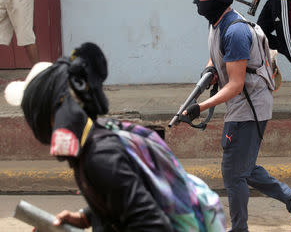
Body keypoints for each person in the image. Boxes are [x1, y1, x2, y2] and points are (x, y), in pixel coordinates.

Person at [186, 0, 291, 232]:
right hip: (246, 103)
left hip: (249, 107)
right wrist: (209, 72)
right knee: (243, 167)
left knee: (233, 173)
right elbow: (217, 58)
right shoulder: (218, 23)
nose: (196, 0)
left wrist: (199, 108)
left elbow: (235, 85)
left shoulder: (235, 31)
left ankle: (240, 228)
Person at [5, 43, 174, 231]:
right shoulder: (92, 140)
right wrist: (86, 217)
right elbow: (120, 197)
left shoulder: (100, 157)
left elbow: (155, 226)